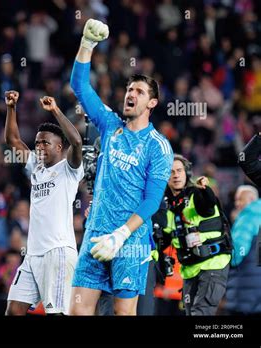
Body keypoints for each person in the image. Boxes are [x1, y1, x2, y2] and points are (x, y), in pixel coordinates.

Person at [69, 19, 174, 315]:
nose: (130, 94)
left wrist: (122, 235)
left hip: (130, 241)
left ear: (152, 102)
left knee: (123, 314)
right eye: (129, 89)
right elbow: (79, 85)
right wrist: (87, 44)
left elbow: (152, 201)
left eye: (139, 91)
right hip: (95, 233)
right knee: (77, 311)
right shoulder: (110, 124)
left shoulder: (158, 146)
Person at [4, 91, 83, 315]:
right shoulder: (35, 167)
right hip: (32, 255)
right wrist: (11, 108)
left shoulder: (69, 169)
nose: (38, 147)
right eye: (37, 143)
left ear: (59, 147)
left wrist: (55, 110)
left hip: (57, 252)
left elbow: (76, 141)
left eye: (45, 143)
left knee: (56, 313)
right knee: (13, 310)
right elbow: (12, 140)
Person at [162, 155, 232, 315]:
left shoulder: (197, 194)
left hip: (213, 264)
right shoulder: (165, 205)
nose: (175, 175)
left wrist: (206, 189)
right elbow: (163, 239)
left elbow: (208, 205)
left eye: (179, 170)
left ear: (187, 173)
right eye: (170, 172)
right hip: (190, 269)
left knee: (201, 313)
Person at [225, 185, 261, 315]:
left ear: (251, 199)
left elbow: (237, 255)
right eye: (236, 200)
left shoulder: (247, 218)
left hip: (246, 292)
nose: (237, 204)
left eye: (240, 200)